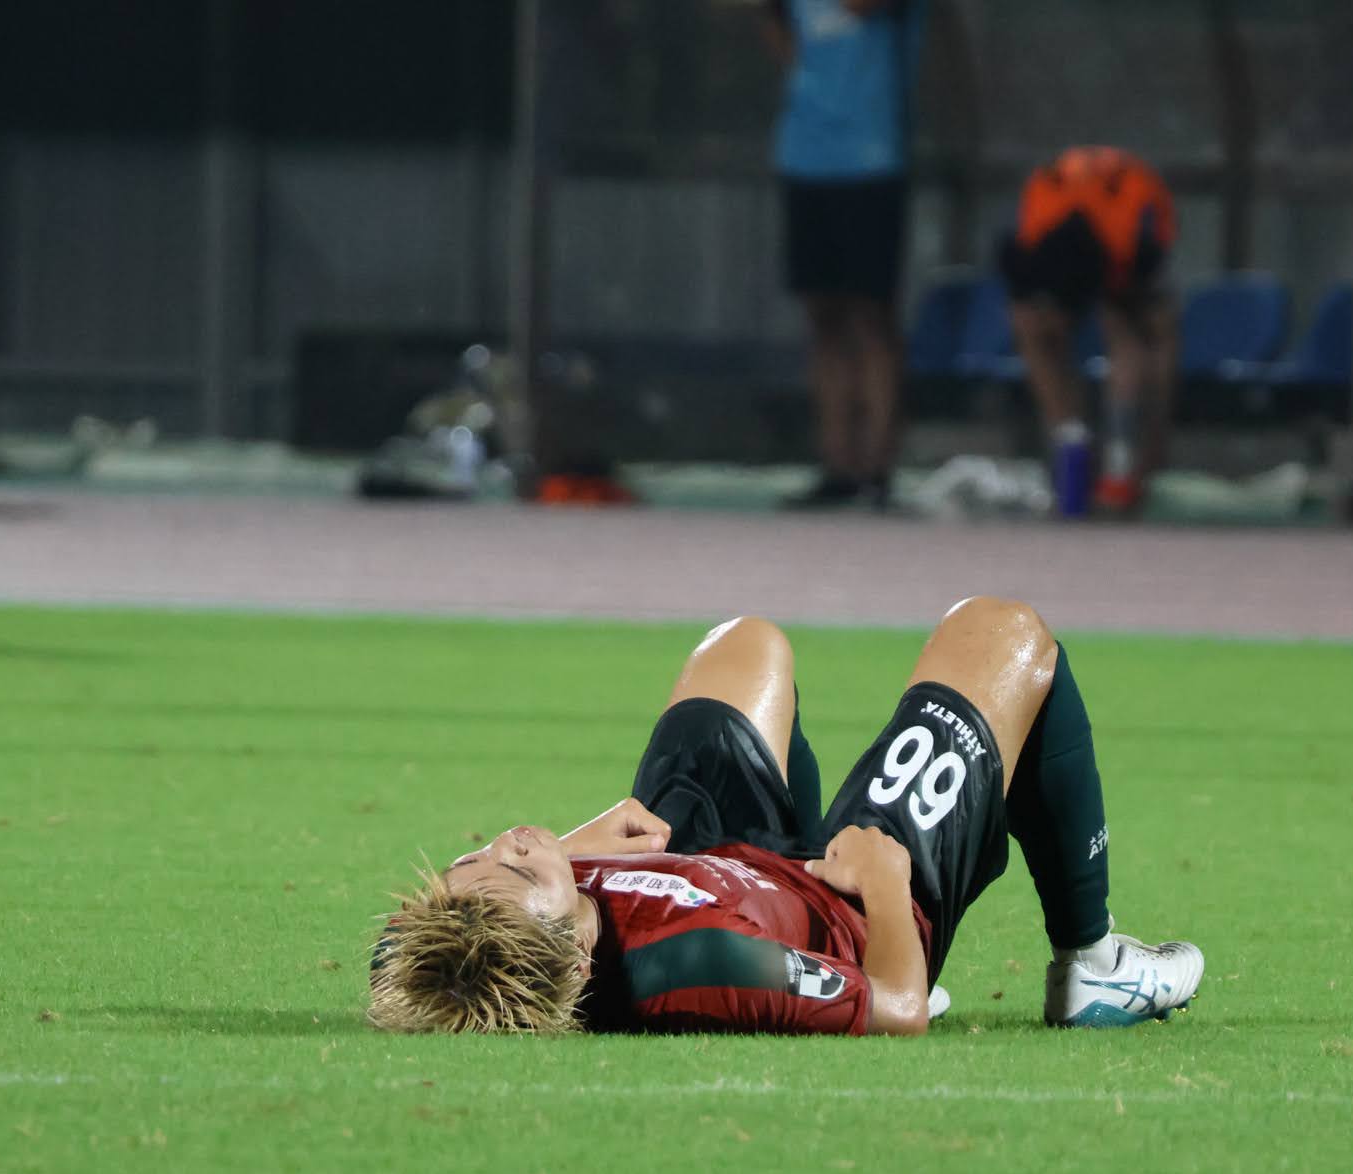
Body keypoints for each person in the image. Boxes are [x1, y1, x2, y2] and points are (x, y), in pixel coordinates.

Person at [368, 598, 1203, 1035]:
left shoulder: (493, 937)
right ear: (581, 961)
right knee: (1003, 632)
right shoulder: (705, 961)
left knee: (744, 643)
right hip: (847, 902)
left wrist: (570, 854)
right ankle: (1093, 961)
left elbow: (401, 952)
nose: (509, 841)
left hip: (719, 864)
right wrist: (885, 886)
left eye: (477, 856)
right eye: (521, 866)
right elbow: (900, 1007)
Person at [763, 0, 925, 512]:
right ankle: (837, 465)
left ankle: (877, 469)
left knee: (872, 314)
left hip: (872, 158)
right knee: (824, 315)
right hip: (806, 154)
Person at [1000, 146, 1179, 519]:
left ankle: (1126, 463)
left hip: (1129, 250)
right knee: (1031, 328)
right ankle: (1069, 444)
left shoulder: (1131, 241)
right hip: (1077, 243)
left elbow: (1142, 320)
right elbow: (1029, 306)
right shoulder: (1035, 228)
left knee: (1136, 337)